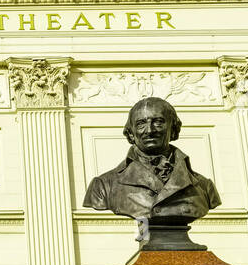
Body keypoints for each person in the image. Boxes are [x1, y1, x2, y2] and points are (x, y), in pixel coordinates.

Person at [82, 96, 221, 236]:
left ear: (173, 129)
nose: (149, 130)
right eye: (141, 123)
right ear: (130, 133)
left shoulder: (204, 187)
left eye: (159, 122)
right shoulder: (104, 186)